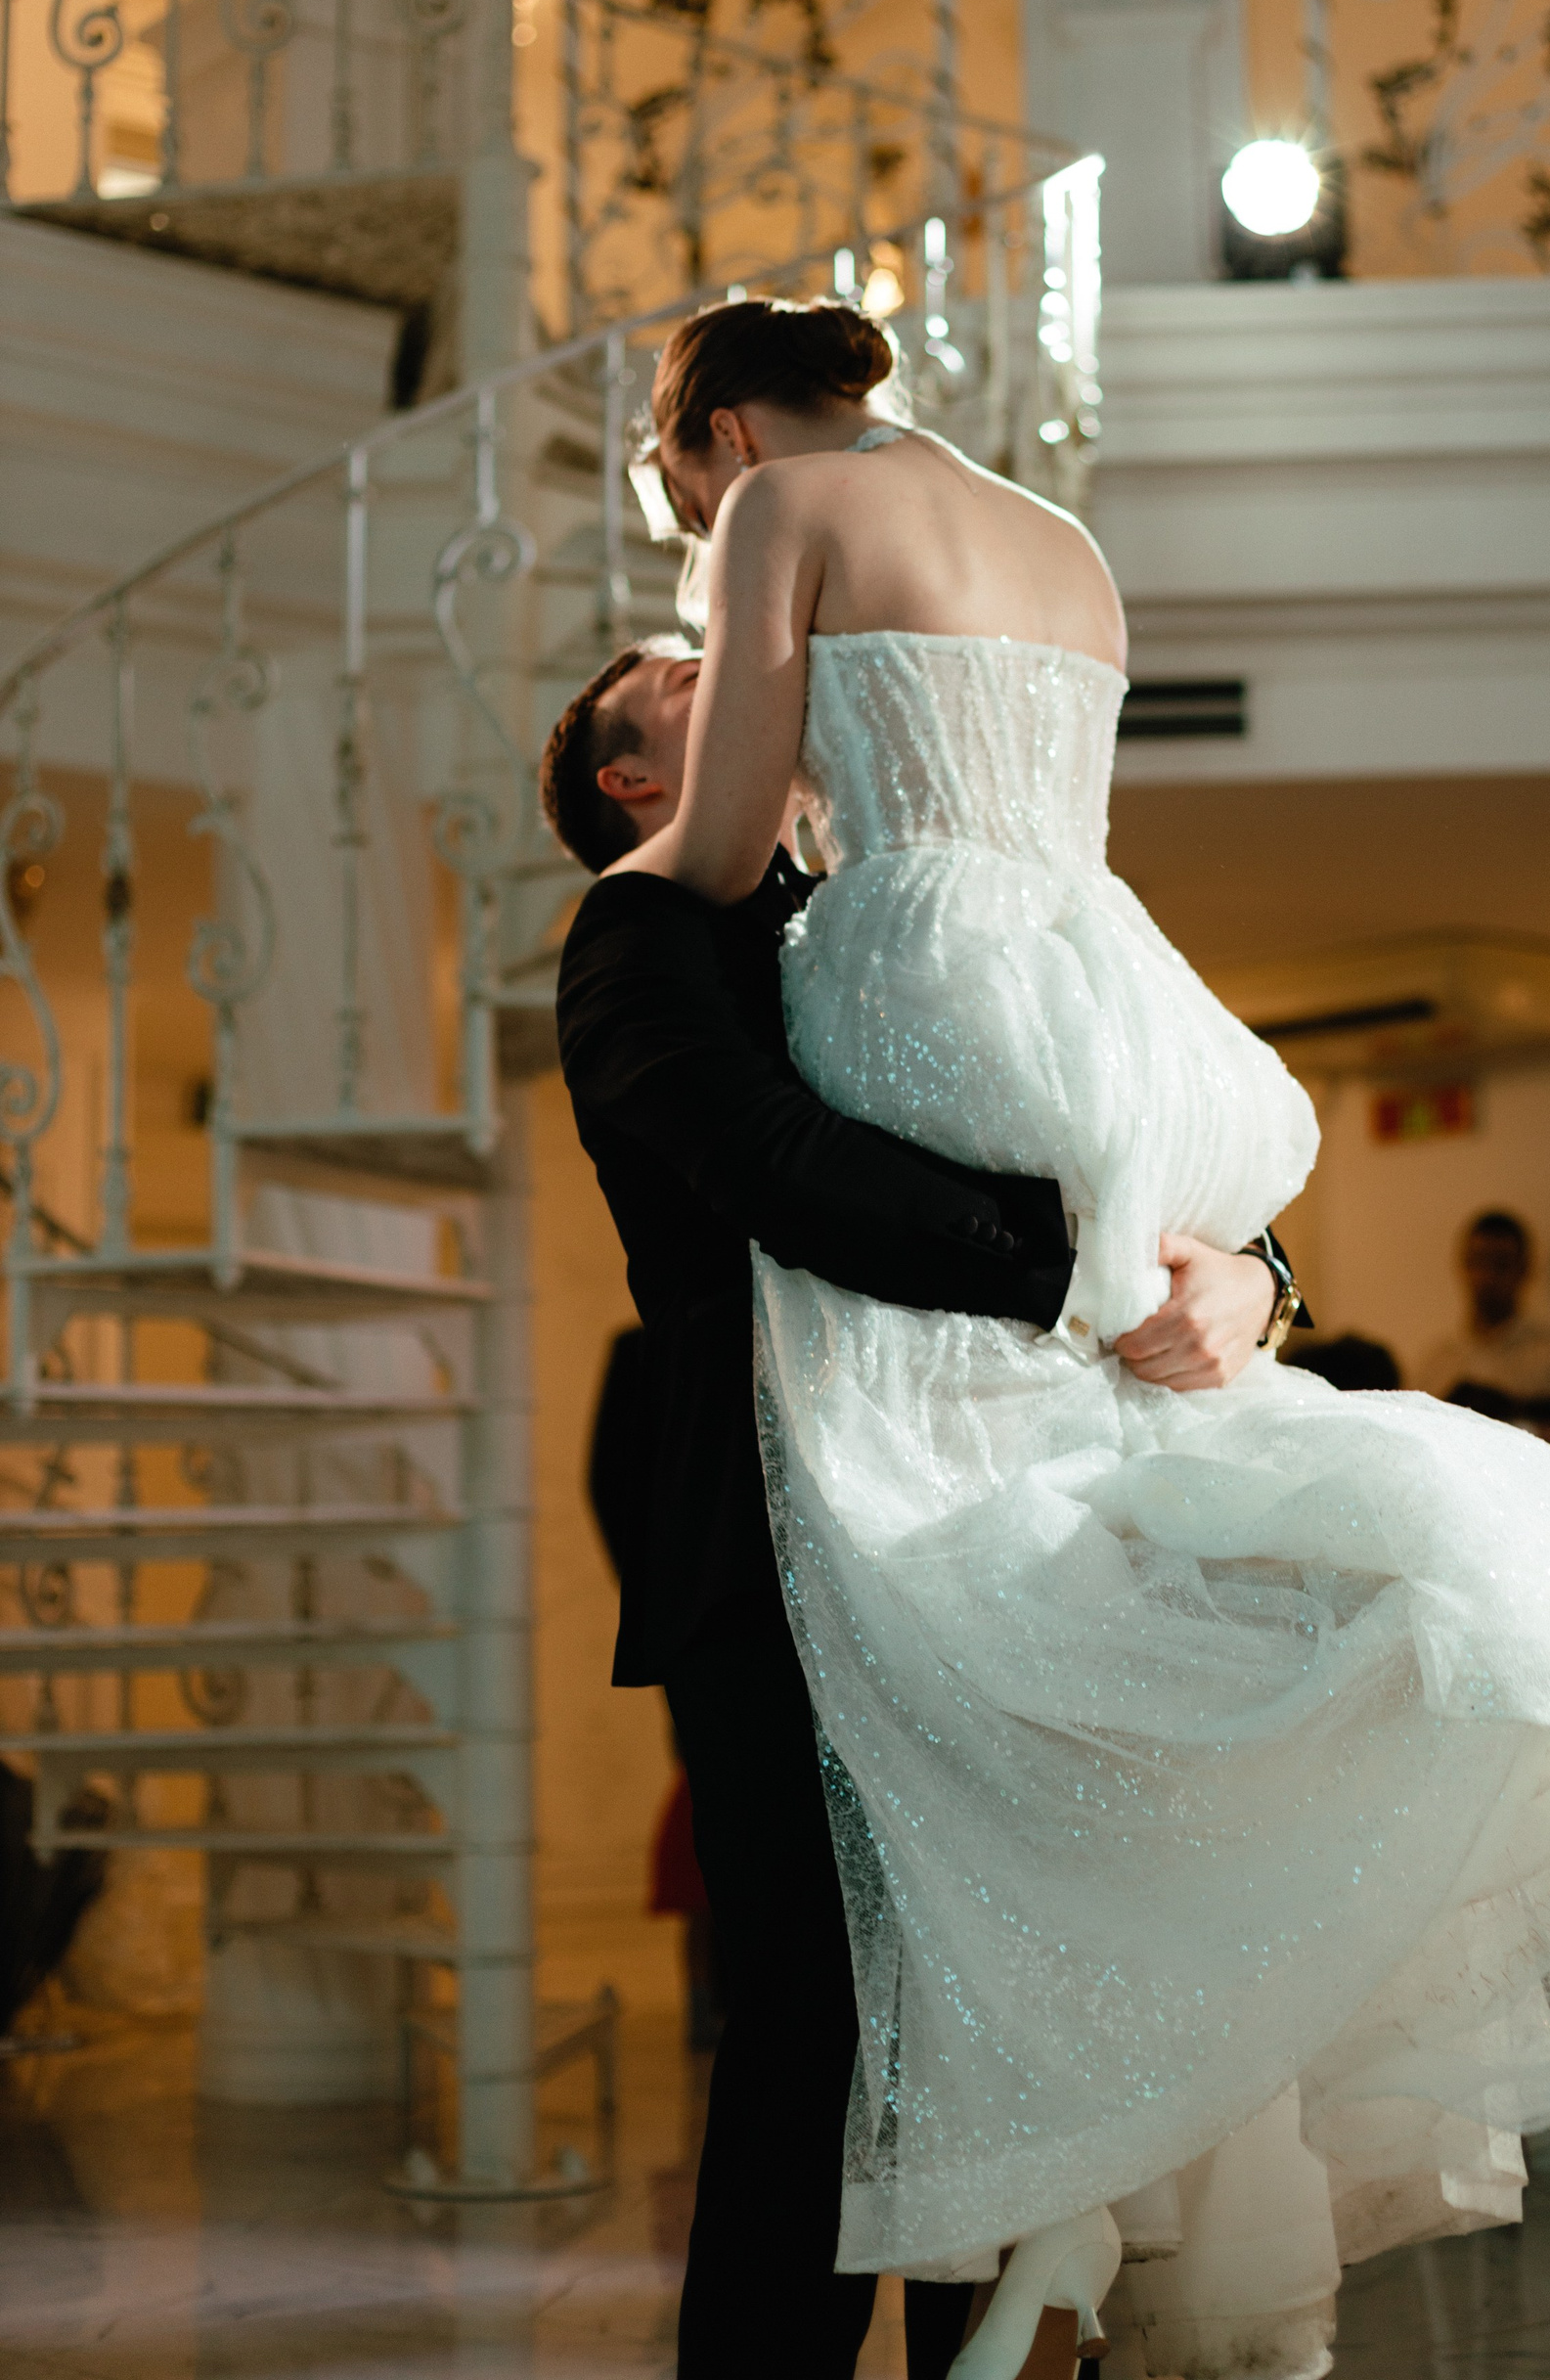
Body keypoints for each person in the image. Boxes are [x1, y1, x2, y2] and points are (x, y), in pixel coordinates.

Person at [612, 291, 1550, 2380]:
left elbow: (725, 844)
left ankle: (1036, 2166)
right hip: (1102, 991)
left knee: (963, 1487)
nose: (694, 554)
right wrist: (1202, 1258)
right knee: (1125, 1476)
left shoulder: (776, 513)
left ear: (721, 431)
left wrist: (657, 855)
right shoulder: (1063, 540)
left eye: (680, 498)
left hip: (924, 976)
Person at [548, 631, 1287, 2380]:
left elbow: (1121, 1131)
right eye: (674, 671)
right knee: (817, 2039)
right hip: (781, 1554)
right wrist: (1090, 1273)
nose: (731, 656)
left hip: (1000, 1536)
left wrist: (1257, 1276)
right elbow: (782, 1170)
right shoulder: (637, 931)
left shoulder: (894, 914)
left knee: (1009, 2032)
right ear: (630, 780)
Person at [1418, 1208, 1550, 1467]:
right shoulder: (1439, 1368)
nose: (1487, 1277)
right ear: (1463, 1266)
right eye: (1478, 1262)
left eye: (1500, 1264)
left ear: (1524, 1270)